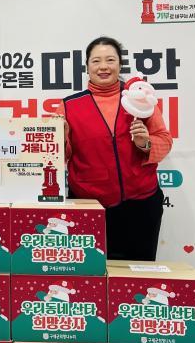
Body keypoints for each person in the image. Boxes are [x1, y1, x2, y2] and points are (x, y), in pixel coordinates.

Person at [57, 36, 172, 261]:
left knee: (139, 273)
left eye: (110, 60)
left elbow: (164, 140)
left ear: (120, 65)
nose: (103, 67)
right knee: (92, 273)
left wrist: (145, 143)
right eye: (96, 61)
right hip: (89, 205)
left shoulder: (140, 98)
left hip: (141, 205)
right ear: (87, 66)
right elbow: (61, 156)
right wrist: (58, 137)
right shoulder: (69, 106)